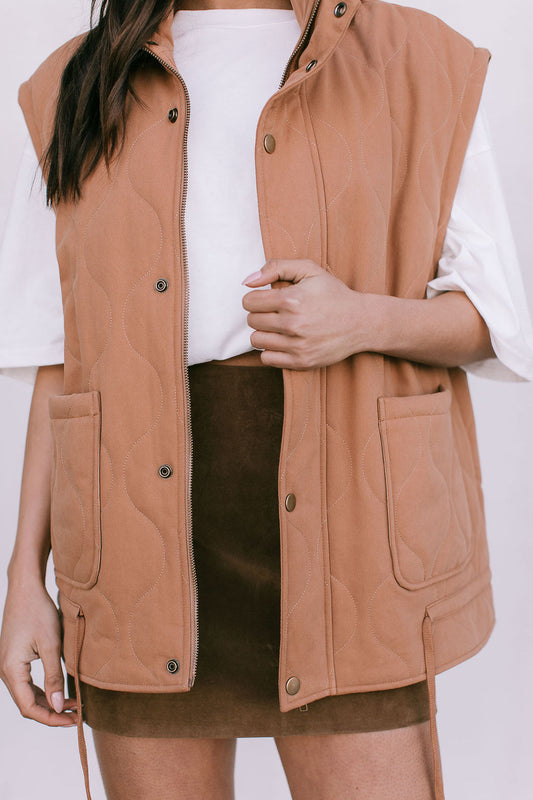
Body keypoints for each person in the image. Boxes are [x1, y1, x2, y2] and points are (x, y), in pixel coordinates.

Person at [1, 0, 533, 798]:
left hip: (354, 542)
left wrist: (359, 320)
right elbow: (59, 359)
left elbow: (496, 320)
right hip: (134, 553)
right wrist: (23, 581)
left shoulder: (419, 58)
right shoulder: (78, 82)